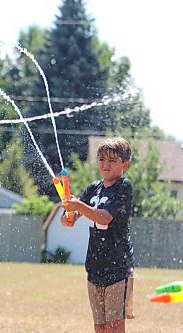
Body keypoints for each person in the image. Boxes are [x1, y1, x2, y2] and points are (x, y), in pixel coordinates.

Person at [61, 137, 134, 333]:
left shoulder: (123, 188)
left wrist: (78, 206)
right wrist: (68, 214)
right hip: (94, 268)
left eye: (112, 160)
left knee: (114, 326)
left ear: (125, 164)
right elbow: (70, 218)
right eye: (102, 159)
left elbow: (104, 218)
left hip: (117, 268)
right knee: (100, 327)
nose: (105, 164)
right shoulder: (93, 188)